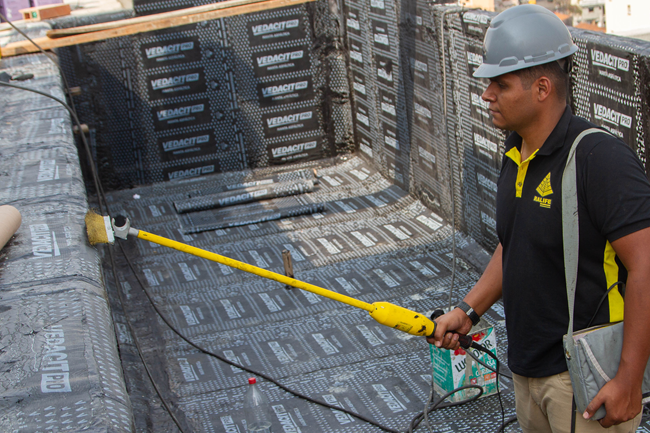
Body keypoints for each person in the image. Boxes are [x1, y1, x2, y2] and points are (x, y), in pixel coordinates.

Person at [427, 4, 650, 432]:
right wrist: (468, 311)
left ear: (542, 88)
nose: (486, 94)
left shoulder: (598, 159)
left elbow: (646, 266)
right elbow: (515, 243)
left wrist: (628, 379)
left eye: (500, 83)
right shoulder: (516, 153)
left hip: (585, 382)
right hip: (527, 372)